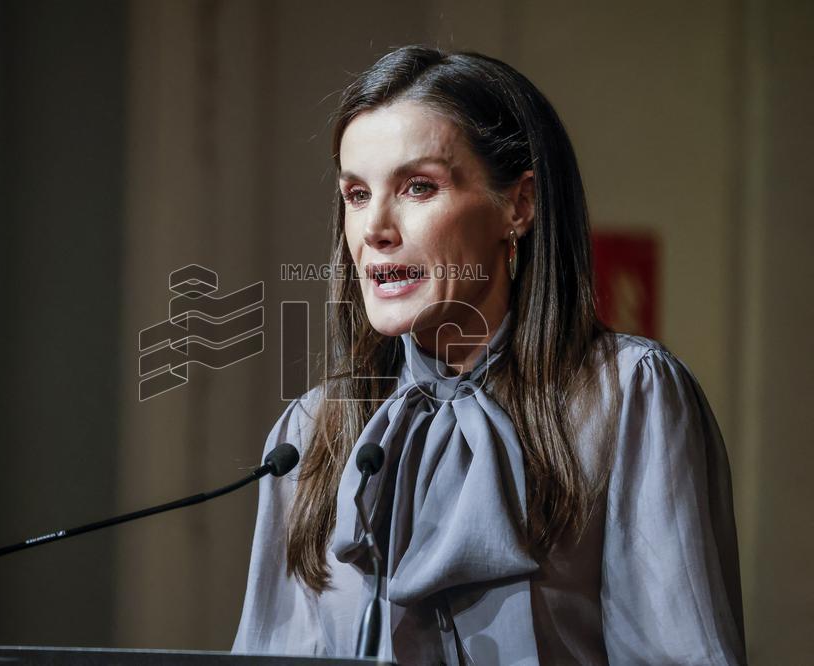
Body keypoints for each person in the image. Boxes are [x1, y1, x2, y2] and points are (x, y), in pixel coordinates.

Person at [233, 45, 745, 665]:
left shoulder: (628, 398)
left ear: (518, 205)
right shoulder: (311, 434)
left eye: (419, 187)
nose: (375, 229)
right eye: (357, 194)